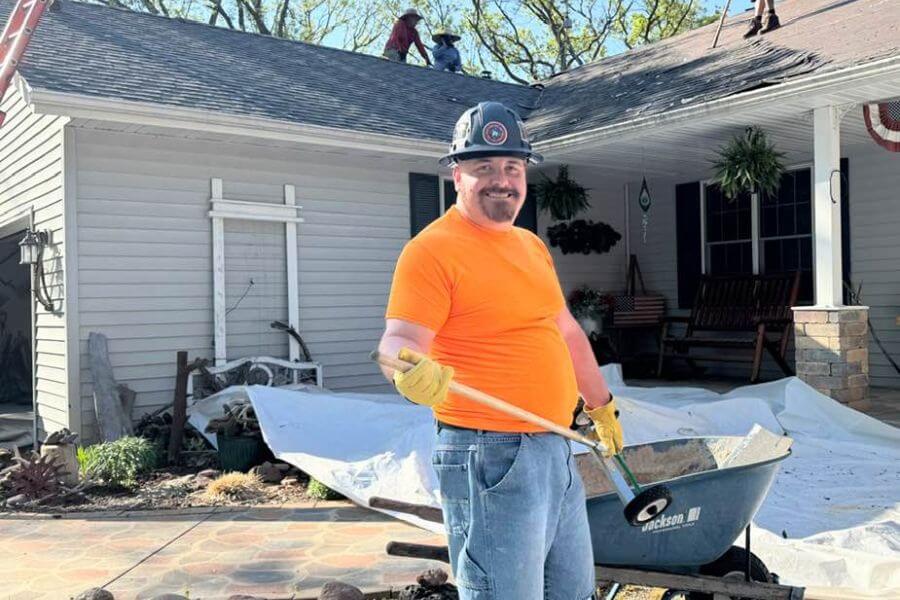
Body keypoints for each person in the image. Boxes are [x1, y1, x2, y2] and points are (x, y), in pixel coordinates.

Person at [377, 101, 624, 600]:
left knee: (572, 593)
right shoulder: (432, 250)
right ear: (456, 176)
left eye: (512, 167)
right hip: (488, 455)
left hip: (556, 446)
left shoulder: (531, 247)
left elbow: (569, 334)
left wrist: (601, 407)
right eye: (483, 167)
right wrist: (407, 371)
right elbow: (397, 343)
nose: (501, 179)